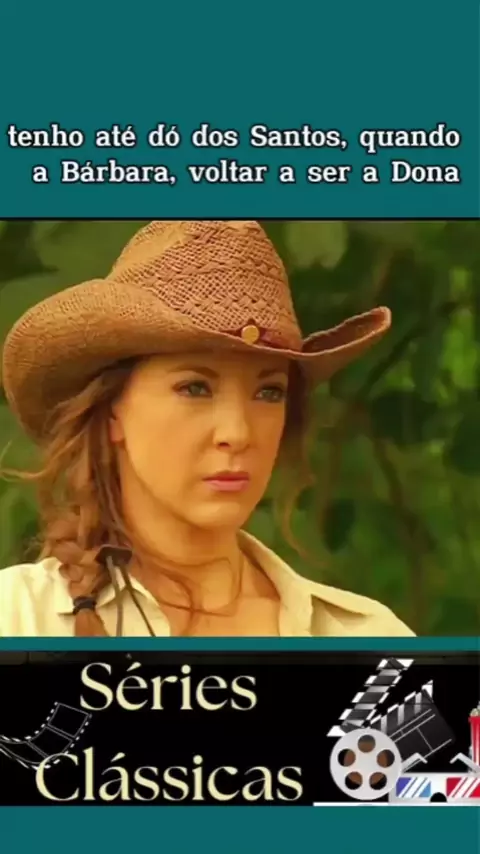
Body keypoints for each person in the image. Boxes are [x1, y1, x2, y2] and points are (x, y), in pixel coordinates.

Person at [0, 220, 414, 638]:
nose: (238, 433)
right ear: (111, 413)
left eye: (269, 392)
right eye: (195, 388)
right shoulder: (17, 617)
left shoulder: (367, 637)